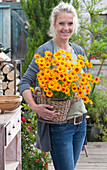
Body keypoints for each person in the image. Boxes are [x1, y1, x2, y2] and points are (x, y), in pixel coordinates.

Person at [19, 2, 87, 170]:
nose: (66, 28)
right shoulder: (45, 51)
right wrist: (35, 107)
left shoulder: (78, 51)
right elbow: (24, 82)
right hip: (59, 125)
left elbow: (85, 83)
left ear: (74, 25)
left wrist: (80, 91)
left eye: (70, 23)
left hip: (81, 123)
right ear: (54, 25)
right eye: (61, 23)